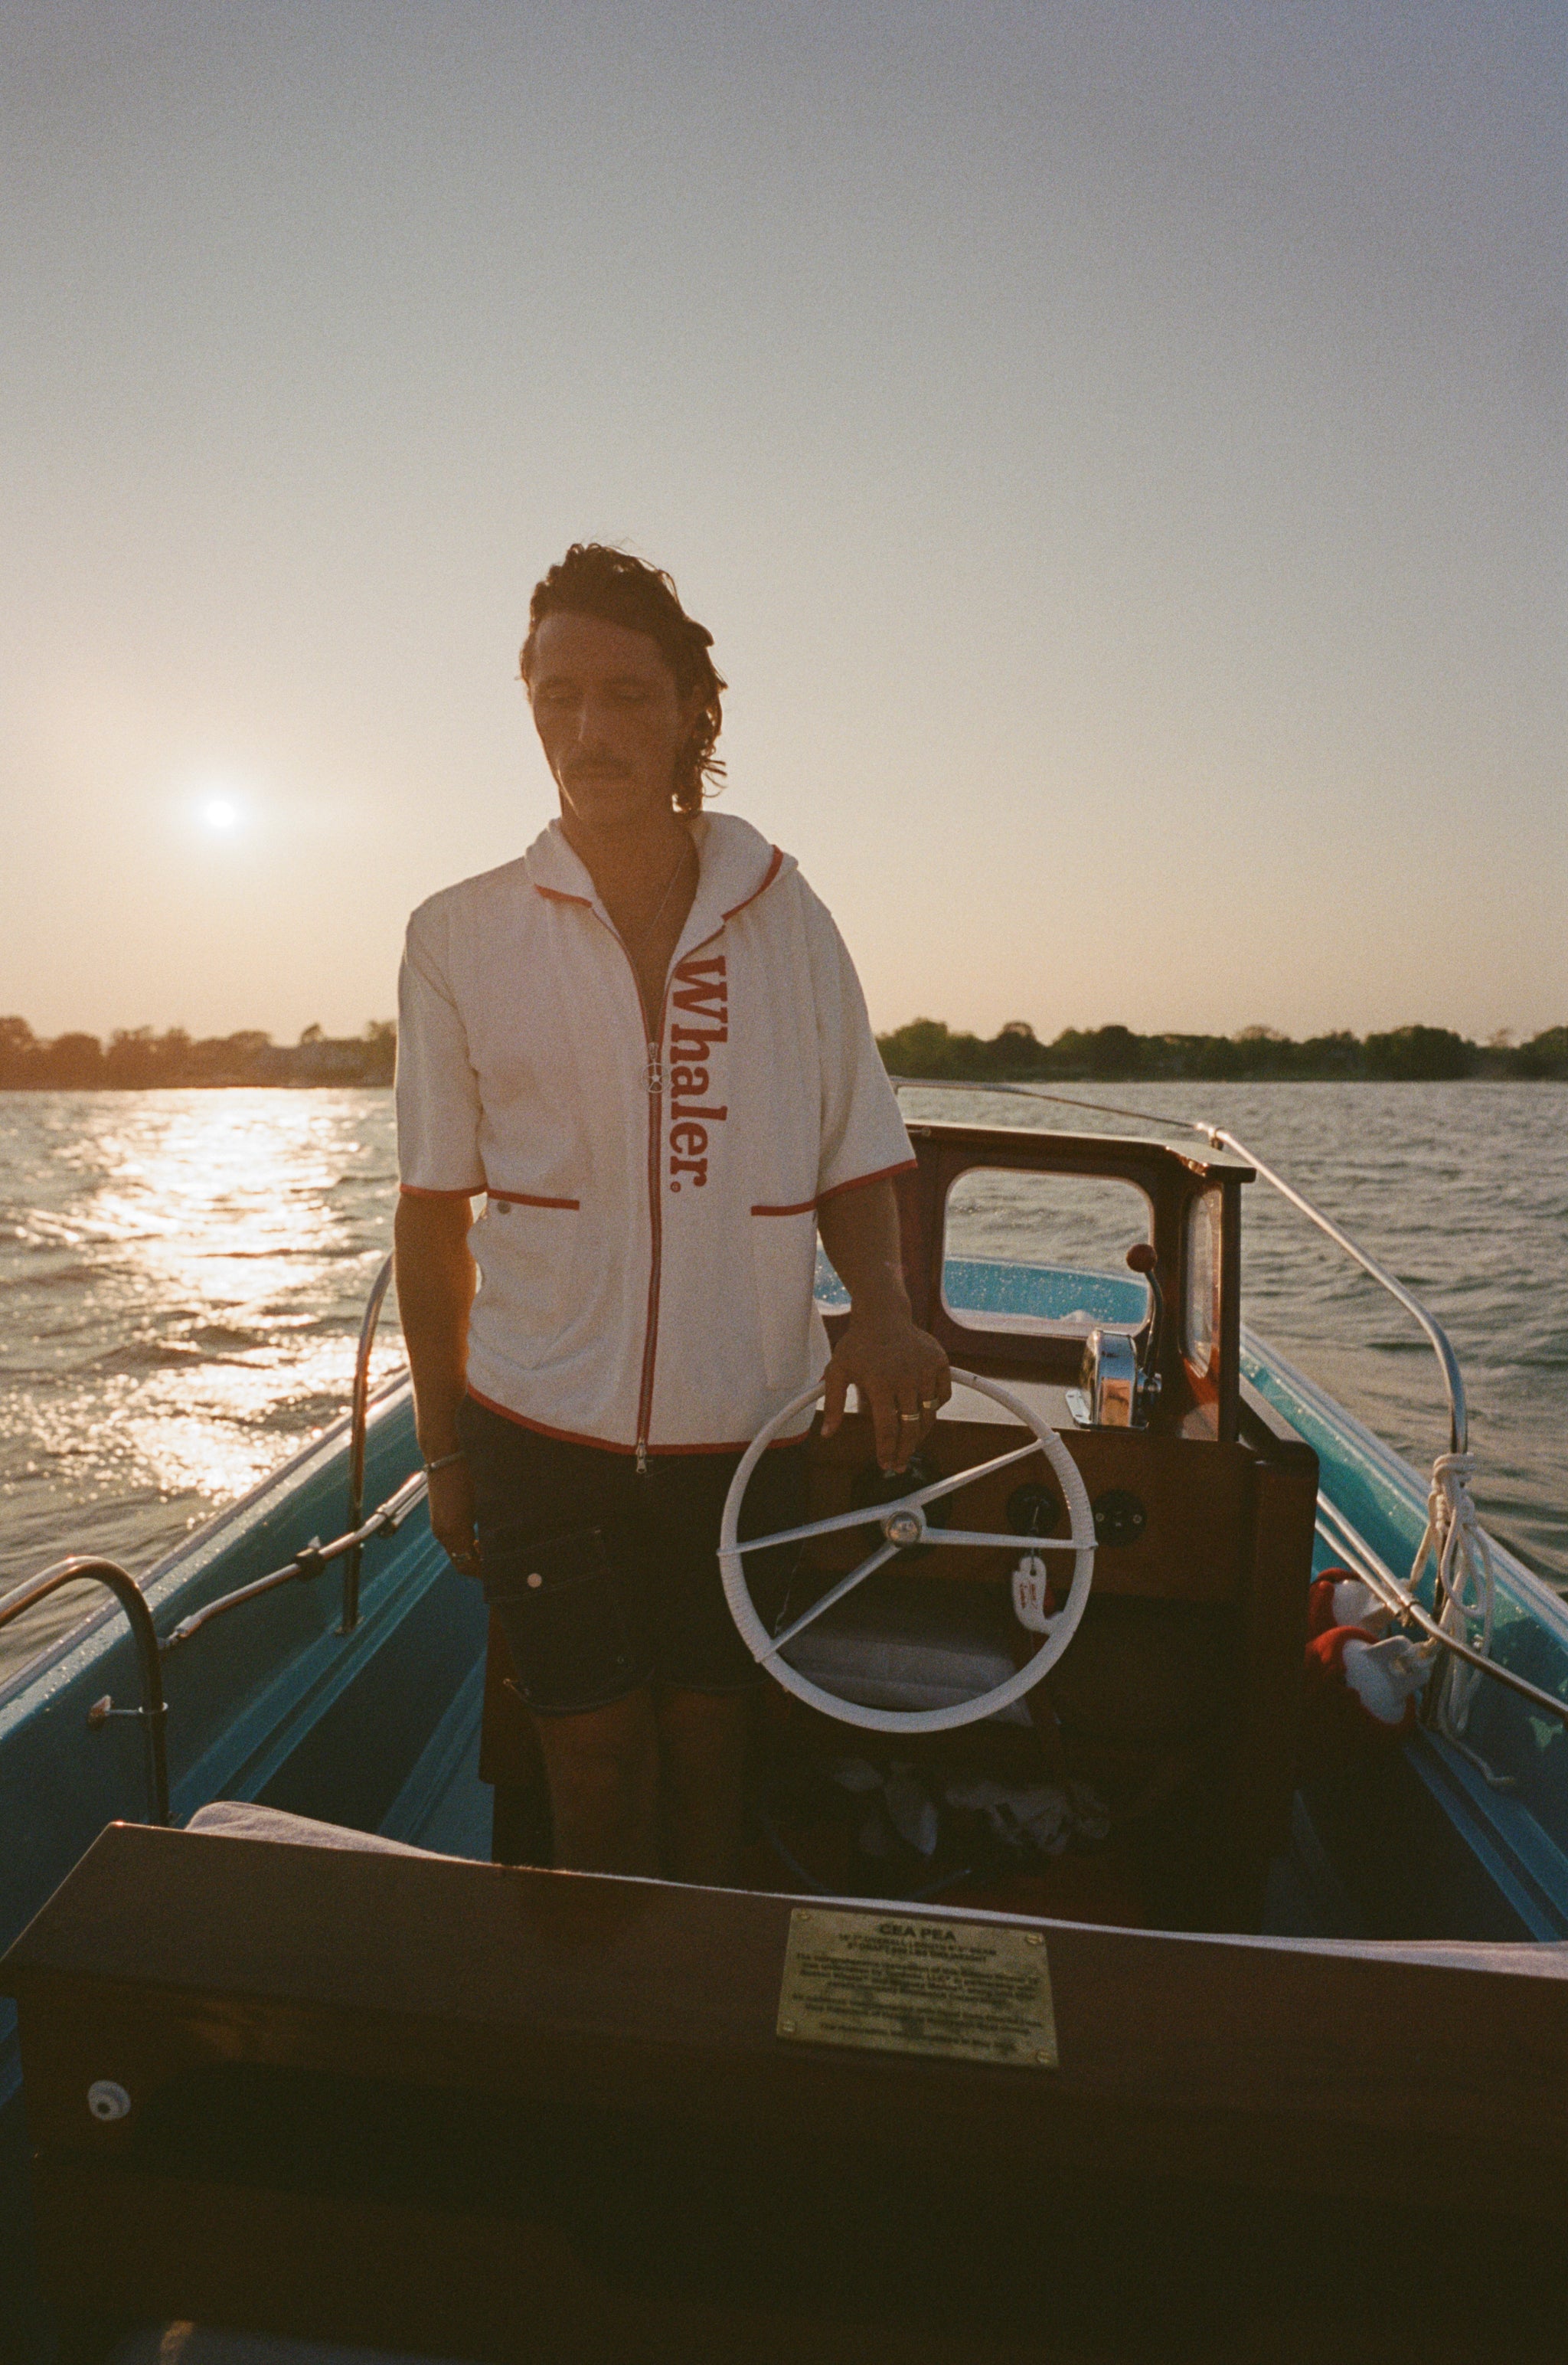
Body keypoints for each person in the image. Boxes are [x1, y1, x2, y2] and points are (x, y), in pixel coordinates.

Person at [394, 543, 949, 1883]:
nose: (589, 731)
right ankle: (604, 2064)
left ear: (696, 706)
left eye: (627, 695)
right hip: (535, 1426)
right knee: (589, 1765)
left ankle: (686, 2053)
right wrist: (446, 1448)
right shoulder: (456, 934)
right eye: (557, 696)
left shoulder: (787, 914)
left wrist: (883, 1313)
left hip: (740, 1431)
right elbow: (427, 1215)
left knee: (711, 1755)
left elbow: (856, 1148)